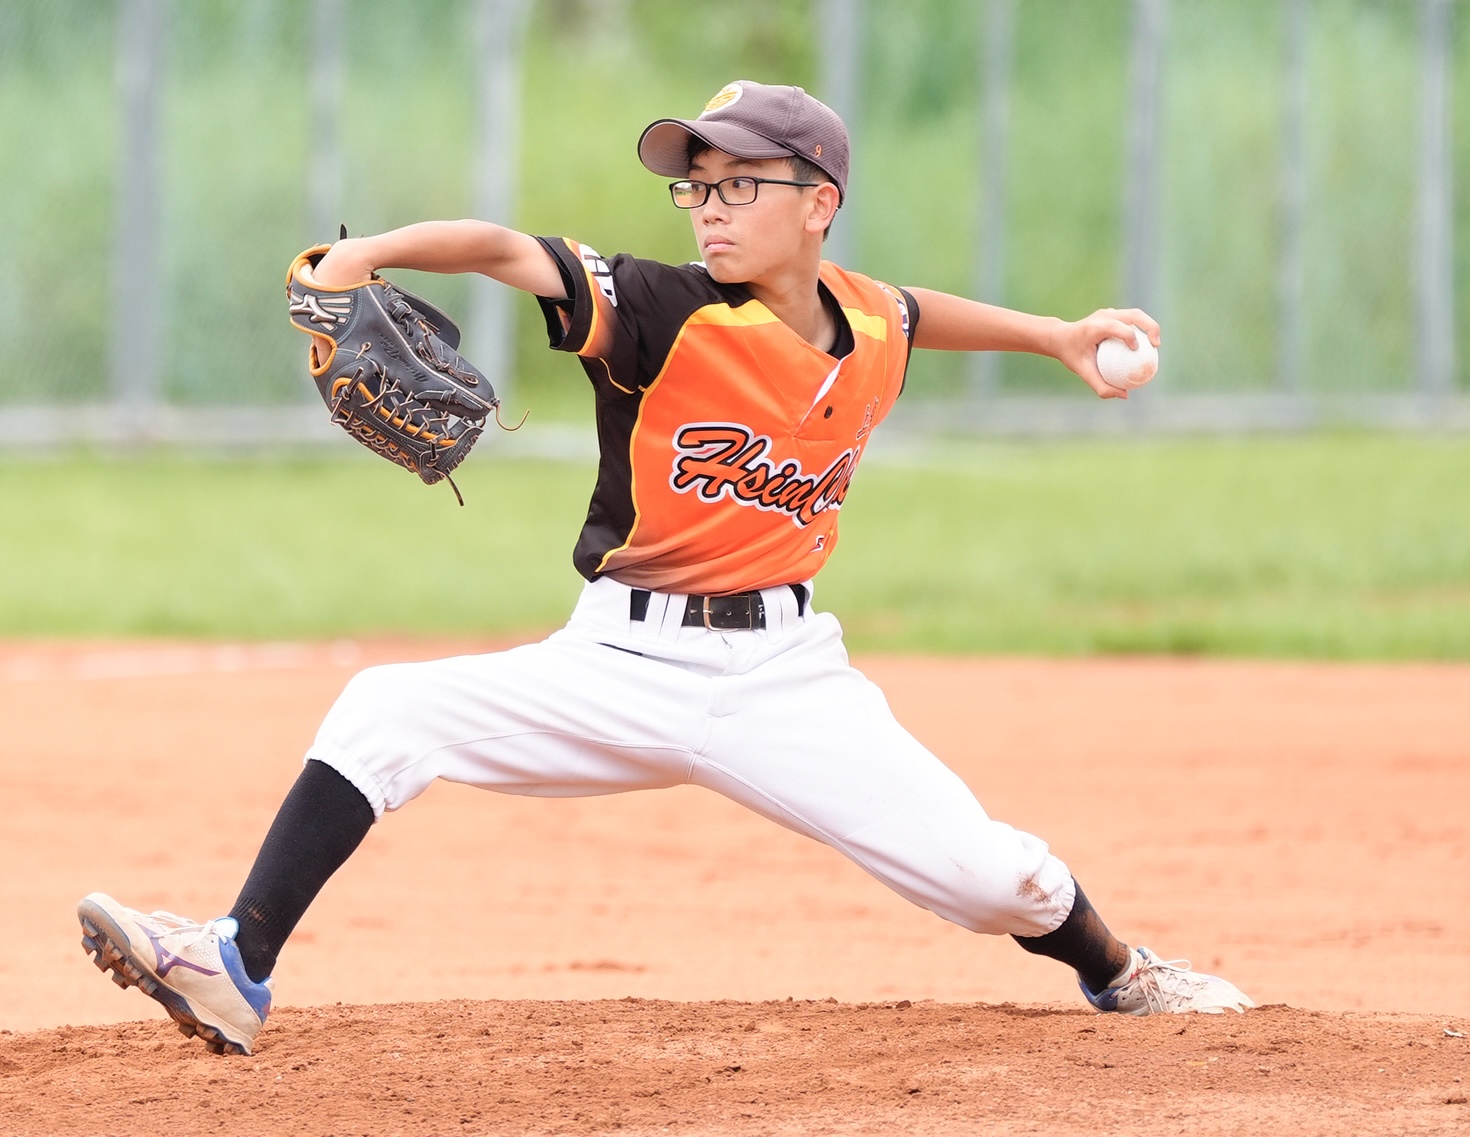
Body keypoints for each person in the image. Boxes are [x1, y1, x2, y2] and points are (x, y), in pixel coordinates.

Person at [77, 80, 1253, 1056]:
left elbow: (912, 310)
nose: (708, 206)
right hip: (619, 658)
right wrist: (361, 255)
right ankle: (236, 961)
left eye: (741, 181)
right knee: (385, 709)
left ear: (820, 203)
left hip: (789, 676)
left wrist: (1056, 338)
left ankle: (1122, 973)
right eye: (697, 182)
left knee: (997, 881)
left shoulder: (868, 320)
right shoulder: (657, 310)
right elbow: (502, 250)